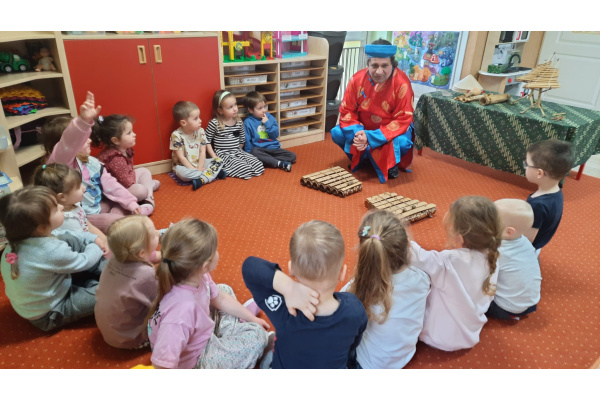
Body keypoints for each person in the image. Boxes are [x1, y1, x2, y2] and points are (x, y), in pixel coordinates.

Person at [147, 218, 271, 369]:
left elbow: (220, 297)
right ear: (205, 265)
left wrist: (252, 318)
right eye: (215, 250)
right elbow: (160, 365)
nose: (218, 253)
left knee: (223, 289)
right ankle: (235, 333)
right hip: (196, 360)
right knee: (257, 335)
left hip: (198, 332)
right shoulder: (179, 314)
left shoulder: (196, 275)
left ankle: (233, 331)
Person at [242, 220, 368, 369]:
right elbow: (354, 344)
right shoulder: (355, 309)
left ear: (291, 269)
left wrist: (289, 287)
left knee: (268, 356)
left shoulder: (286, 310)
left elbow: (249, 267)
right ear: (342, 272)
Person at [0, 186, 107, 332]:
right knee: (108, 293)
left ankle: (100, 278)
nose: (62, 207)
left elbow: (67, 234)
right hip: (51, 312)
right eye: (56, 209)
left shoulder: (23, 237)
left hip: (50, 290)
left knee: (68, 239)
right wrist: (95, 246)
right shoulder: (49, 251)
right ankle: (107, 280)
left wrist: (91, 237)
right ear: (40, 226)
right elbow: (85, 261)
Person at [41, 91, 149, 234]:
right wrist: (83, 122)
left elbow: (111, 184)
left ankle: (123, 216)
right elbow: (69, 142)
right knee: (115, 220)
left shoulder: (91, 161)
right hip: (83, 214)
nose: (90, 141)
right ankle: (122, 219)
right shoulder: (61, 164)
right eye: (83, 139)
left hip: (98, 205)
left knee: (132, 196)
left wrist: (130, 202)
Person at [410, 196, 502, 351]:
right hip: (470, 333)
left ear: (460, 237)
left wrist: (401, 233)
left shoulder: (449, 260)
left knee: (411, 282)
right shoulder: (494, 255)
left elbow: (414, 256)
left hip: (437, 336)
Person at [341, 210, 430, 369]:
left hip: (365, 365)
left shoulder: (358, 287)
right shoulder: (422, 279)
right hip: (402, 358)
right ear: (407, 246)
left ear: (366, 252)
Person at [331, 39, 415, 183]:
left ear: (393, 65)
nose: (379, 71)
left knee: (403, 142)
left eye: (385, 66)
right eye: (375, 65)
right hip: (362, 128)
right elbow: (347, 111)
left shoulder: (402, 83)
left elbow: (403, 118)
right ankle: (365, 160)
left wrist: (370, 137)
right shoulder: (357, 79)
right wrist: (358, 133)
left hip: (389, 131)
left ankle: (388, 163)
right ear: (368, 65)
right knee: (336, 133)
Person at [95, 215, 160, 349]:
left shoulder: (116, 259)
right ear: (141, 253)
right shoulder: (148, 274)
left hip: (110, 330)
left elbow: (148, 257)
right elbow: (162, 299)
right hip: (131, 338)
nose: (157, 233)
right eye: (154, 235)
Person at [33, 163, 108, 255]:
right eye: (78, 187)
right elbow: (81, 246)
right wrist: (102, 245)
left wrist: (104, 240)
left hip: (89, 238)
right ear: (62, 197)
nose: (84, 188)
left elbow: (87, 225)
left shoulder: (73, 203)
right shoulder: (67, 220)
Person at [487, 199, 541, 320]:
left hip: (506, 307)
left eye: (490, 221)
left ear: (508, 232)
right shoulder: (524, 240)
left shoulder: (498, 251)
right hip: (531, 303)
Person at [92, 114, 160, 208]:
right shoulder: (115, 159)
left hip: (124, 182)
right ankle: (147, 198)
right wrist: (139, 182)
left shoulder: (125, 149)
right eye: (129, 133)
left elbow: (128, 173)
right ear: (115, 140)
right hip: (114, 192)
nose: (134, 134)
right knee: (140, 190)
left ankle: (148, 196)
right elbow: (127, 183)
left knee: (144, 171)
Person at [523, 139, 574, 251]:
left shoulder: (538, 205)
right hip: (539, 242)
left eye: (526, 164)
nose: (525, 167)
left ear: (539, 173)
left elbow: (527, 240)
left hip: (527, 248)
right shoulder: (556, 191)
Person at [205, 90, 264, 180]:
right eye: (230, 107)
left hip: (237, 151)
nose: (235, 109)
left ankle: (235, 166)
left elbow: (242, 139)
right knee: (246, 170)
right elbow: (206, 141)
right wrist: (214, 157)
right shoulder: (215, 123)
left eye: (235, 105)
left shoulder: (239, 121)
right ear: (220, 110)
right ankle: (221, 170)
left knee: (259, 165)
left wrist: (239, 152)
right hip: (223, 154)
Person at [170, 101, 226, 191]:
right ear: (183, 123)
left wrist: (199, 167)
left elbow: (202, 152)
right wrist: (194, 170)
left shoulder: (201, 131)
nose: (200, 120)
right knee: (183, 175)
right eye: (196, 118)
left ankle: (203, 179)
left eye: (199, 117)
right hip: (184, 166)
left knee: (219, 161)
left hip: (199, 162)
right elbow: (181, 158)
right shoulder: (176, 135)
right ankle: (212, 174)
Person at [242, 91, 296, 172]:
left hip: (274, 148)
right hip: (260, 150)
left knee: (292, 156)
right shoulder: (248, 122)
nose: (264, 110)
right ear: (250, 110)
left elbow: (276, 134)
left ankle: (267, 160)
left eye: (265, 107)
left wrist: (267, 123)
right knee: (254, 151)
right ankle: (278, 163)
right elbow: (247, 141)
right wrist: (249, 156)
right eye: (260, 108)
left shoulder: (270, 117)